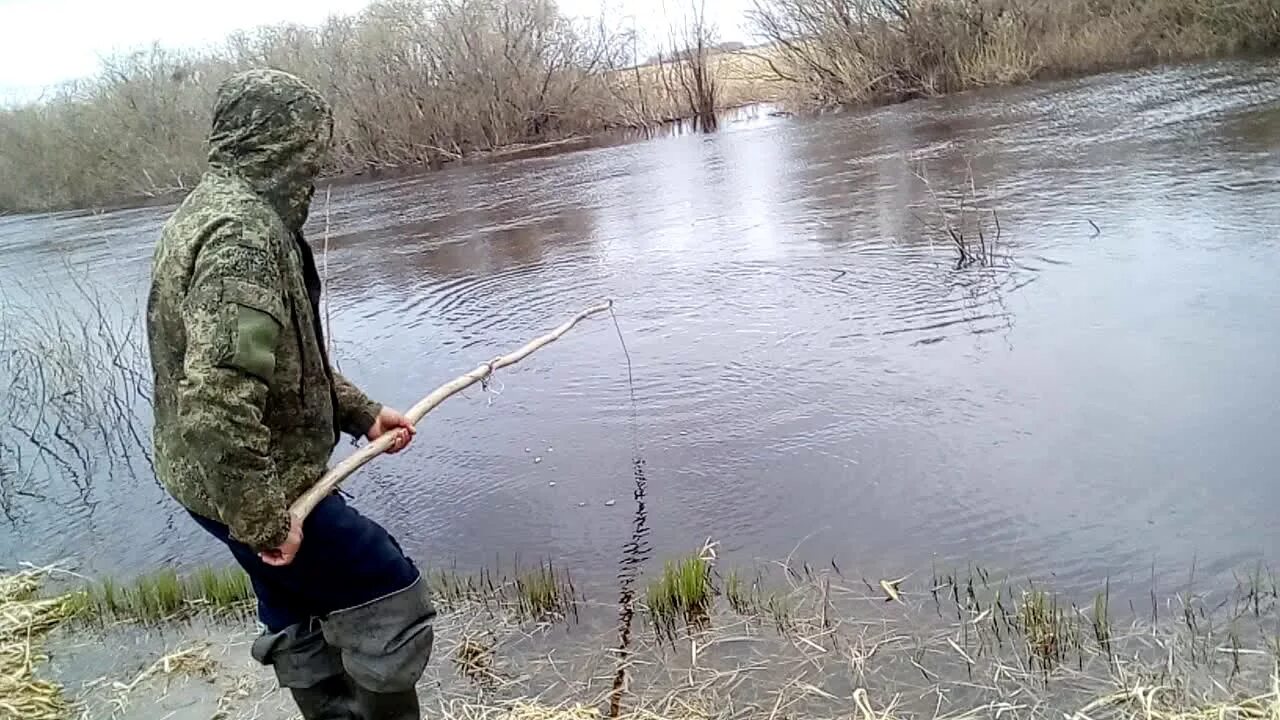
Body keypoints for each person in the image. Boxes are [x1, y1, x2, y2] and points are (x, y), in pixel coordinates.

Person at [146, 68, 435, 720]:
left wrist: (361, 414)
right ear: (278, 143)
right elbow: (219, 397)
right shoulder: (242, 238)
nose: (317, 161)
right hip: (251, 486)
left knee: (292, 601)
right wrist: (262, 518)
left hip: (208, 483)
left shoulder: (208, 209)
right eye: (309, 146)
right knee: (386, 591)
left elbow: (276, 361)